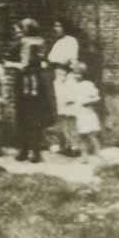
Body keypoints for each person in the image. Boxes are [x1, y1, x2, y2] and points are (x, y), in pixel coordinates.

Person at [13, 40, 53, 163]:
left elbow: (44, 89)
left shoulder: (39, 72)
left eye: (29, 54)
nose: (26, 57)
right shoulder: (22, 72)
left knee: (35, 126)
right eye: (24, 54)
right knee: (22, 125)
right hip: (24, 101)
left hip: (35, 103)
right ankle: (24, 149)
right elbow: (17, 87)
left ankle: (36, 151)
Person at [47, 19, 81, 156]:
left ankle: (75, 145)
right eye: (55, 25)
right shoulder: (58, 43)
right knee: (62, 113)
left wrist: (60, 65)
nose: (56, 28)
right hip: (59, 77)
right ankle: (66, 144)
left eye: (59, 25)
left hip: (68, 77)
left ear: (65, 27)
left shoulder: (71, 41)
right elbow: (50, 60)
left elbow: (69, 60)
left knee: (71, 112)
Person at [69, 62, 102, 160]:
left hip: (88, 114)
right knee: (81, 136)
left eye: (78, 73)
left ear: (83, 74)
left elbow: (97, 98)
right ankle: (84, 156)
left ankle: (98, 153)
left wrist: (89, 102)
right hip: (80, 114)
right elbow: (73, 98)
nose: (76, 76)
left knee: (91, 136)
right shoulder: (74, 86)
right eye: (74, 73)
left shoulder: (88, 85)